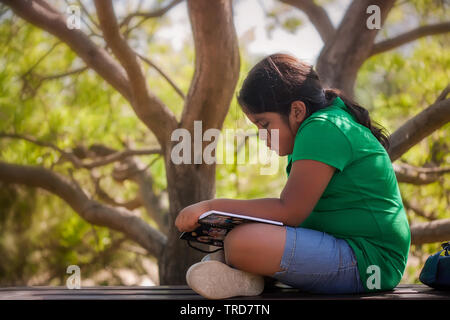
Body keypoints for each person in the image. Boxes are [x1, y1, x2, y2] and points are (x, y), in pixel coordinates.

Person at [175, 53, 411, 300]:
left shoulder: (323, 128)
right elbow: (291, 215)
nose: (263, 136)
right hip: (344, 249)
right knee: (235, 243)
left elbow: (289, 211)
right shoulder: (317, 128)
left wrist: (211, 207)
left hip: (371, 261)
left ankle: (245, 269)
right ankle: (246, 276)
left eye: (264, 124)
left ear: (297, 110)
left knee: (241, 243)